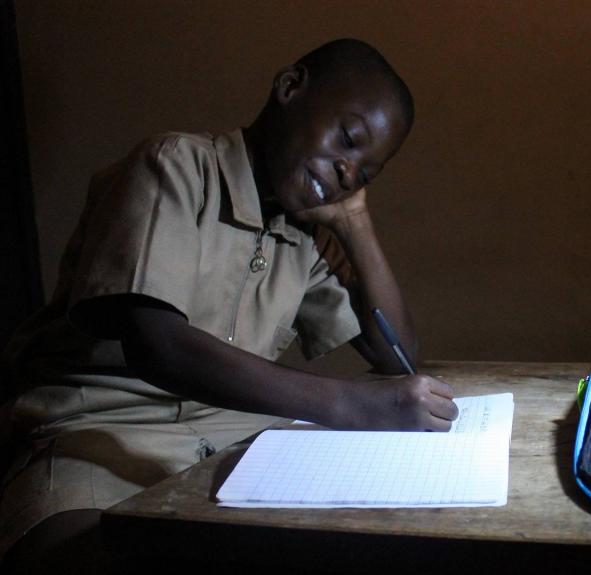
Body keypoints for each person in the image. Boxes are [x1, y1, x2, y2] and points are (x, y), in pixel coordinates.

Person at [0, 38, 457, 572]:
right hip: (99, 437)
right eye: (347, 140)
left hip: (229, 445)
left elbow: (396, 356)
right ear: (289, 87)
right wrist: (351, 404)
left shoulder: (305, 236)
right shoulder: (174, 167)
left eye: (365, 172)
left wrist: (356, 221)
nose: (347, 171)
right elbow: (158, 345)